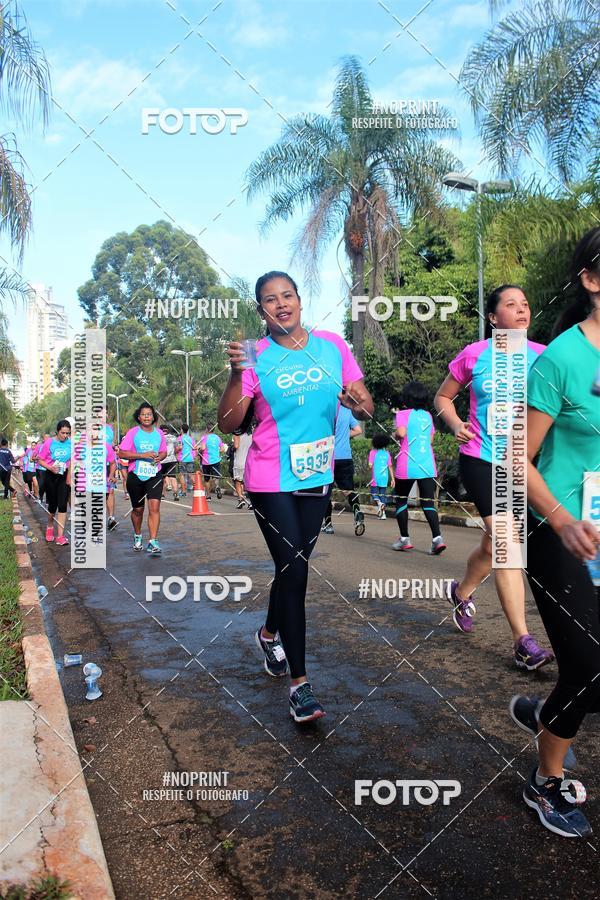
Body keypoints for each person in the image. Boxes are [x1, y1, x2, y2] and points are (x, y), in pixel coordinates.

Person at [218, 270, 373, 723]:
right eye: (270, 299)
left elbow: (365, 405)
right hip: (269, 476)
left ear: (301, 301)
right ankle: (300, 686)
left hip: (316, 472)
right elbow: (229, 422)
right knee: (296, 570)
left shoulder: (333, 347)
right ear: (261, 309)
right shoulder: (255, 356)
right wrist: (236, 372)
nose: (281, 304)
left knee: (292, 566)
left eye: (288, 295)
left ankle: (268, 632)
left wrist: (356, 403)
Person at [509, 228, 600, 838]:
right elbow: (517, 456)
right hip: (560, 531)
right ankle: (545, 781)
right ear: (592, 281)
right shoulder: (561, 359)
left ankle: (546, 712)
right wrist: (563, 519)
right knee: (590, 665)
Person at [434, 285, 553, 670]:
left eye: (525, 304)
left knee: (493, 544)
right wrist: (454, 423)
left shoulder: (544, 357)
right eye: (510, 304)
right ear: (492, 317)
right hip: (482, 458)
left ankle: (462, 590)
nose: (521, 310)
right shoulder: (474, 355)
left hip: (525, 463)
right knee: (507, 543)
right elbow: (443, 397)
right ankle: (523, 641)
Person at [393, 381, 446, 554]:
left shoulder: (403, 414)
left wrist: (394, 434)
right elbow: (430, 440)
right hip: (427, 464)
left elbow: (401, 433)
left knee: (401, 500)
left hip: (407, 464)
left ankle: (404, 539)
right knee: (428, 502)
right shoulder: (428, 416)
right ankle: (437, 539)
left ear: (407, 398)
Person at [118, 403, 167, 555]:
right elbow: (122, 453)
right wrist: (142, 455)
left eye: (149, 414)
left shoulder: (159, 433)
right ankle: (138, 535)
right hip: (136, 475)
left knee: (155, 508)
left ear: (154, 417)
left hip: (155, 474)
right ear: (139, 417)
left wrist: (160, 457)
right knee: (138, 510)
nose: (147, 417)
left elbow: (164, 452)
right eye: (144, 414)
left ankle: (152, 541)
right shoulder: (133, 433)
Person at [321, 405, 363, 535]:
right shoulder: (347, 411)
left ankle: (328, 524)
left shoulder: (325, 410)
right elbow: (358, 430)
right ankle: (357, 511)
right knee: (348, 490)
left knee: (326, 491)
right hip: (345, 457)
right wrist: (344, 436)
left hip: (328, 457)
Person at [36, 420, 72, 544]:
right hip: (50, 475)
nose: (65, 435)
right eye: (63, 433)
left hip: (64, 476)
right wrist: (50, 467)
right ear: (57, 431)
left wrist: (69, 477)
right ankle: (50, 526)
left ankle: (60, 537)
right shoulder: (49, 443)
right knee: (53, 505)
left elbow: (72, 460)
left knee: (62, 505)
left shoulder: (71, 443)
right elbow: (40, 460)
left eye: (68, 433)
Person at [198, 426, 227, 499]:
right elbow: (222, 449)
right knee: (216, 476)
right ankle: (217, 486)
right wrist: (216, 451)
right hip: (216, 460)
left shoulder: (204, 438)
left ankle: (208, 496)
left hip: (206, 461)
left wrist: (199, 450)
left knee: (207, 479)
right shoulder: (218, 438)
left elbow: (203, 448)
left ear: (207, 429)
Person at [368, 434, 393, 519]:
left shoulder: (372, 452)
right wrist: (393, 479)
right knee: (382, 494)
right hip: (385, 477)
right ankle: (383, 514)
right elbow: (390, 466)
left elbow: (370, 466)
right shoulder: (387, 453)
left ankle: (379, 504)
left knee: (373, 493)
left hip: (376, 477)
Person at [233, 425, 253, 509]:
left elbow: (236, 446)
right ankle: (251, 502)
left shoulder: (237, 434)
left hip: (239, 461)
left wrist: (232, 448)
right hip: (250, 461)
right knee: (249, 482)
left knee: (238, 481)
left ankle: (240, 499)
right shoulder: (252, 434)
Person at [176, 423, 196, 497]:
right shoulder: (191, 439)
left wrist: (176, 451)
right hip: (190, 458)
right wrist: (193, 457)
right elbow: (194, 449)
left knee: (182, 475)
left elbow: (179, 448)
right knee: (191, 474)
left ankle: (183, 491)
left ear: (181, 430)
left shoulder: (179, 438)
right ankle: (198, 489)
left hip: (182, 458)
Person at [161, 427, 179, 501]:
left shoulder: (159, 438)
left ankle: (162, 494)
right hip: (172, 460)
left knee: (163, 478)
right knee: (173, 477)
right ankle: (176, 494)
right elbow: (177, 448)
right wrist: (174, 453)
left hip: (162, 460)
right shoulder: (173, 438)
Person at [32, 434, 50, 503]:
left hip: (49, 469)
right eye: (46, 438)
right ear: (43, 439)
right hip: (40, 469)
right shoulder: (39, 446)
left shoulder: (52, 446)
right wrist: (38, 457)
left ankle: (48, 501)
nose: (48, 439)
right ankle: (41, 498)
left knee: (49, 485)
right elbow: (32, 457)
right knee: (41, 484)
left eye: (49, 438)